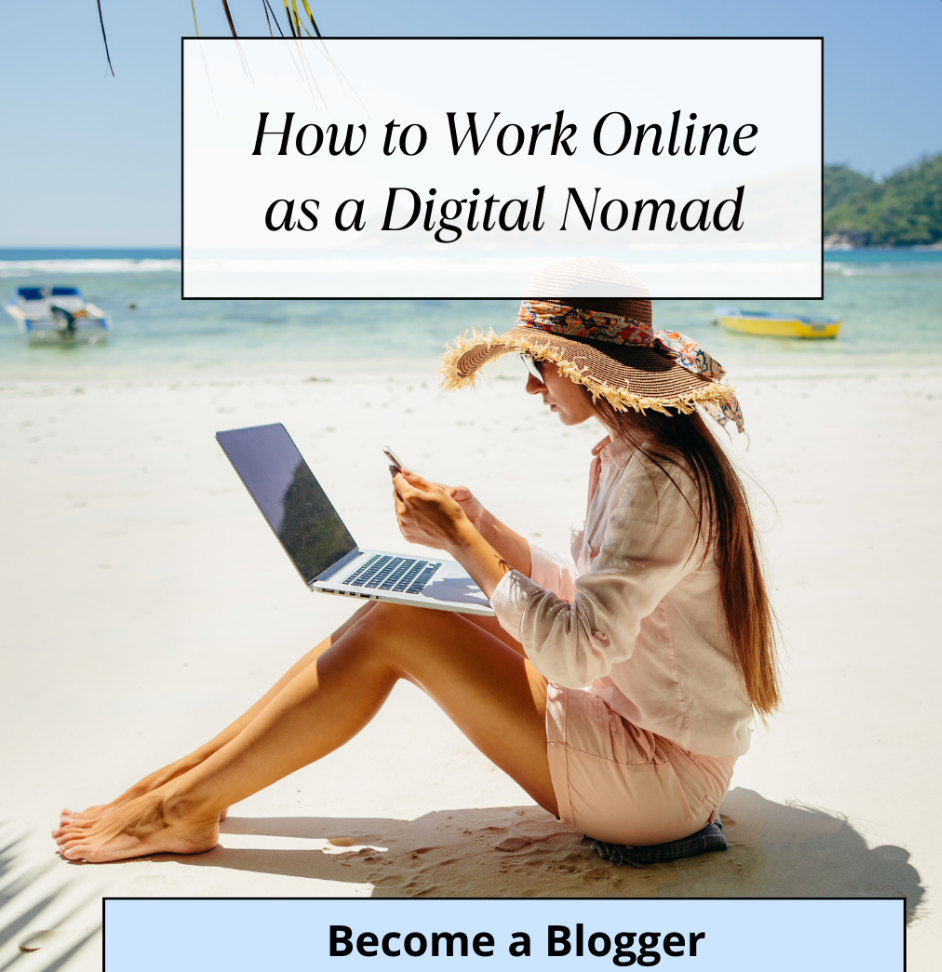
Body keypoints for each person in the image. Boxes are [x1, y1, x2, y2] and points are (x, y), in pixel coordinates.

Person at [54, 258, 778, 863]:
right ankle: (181, 784)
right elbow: (593, 600)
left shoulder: (657, 477)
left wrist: (462, 543)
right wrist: (484, 524)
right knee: (397, 611)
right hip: (642, 730)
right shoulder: (634, 455)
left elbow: (579, 655)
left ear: (584, 368)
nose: (532, 386)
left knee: (406, 625)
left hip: (659, 785)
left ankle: (182, 806)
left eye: (538, 365)